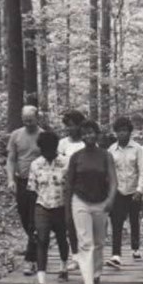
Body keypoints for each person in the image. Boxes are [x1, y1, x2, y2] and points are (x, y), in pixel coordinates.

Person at [65, 120, 118, 284]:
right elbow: (69, 184)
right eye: (85, 133)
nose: (88, 136)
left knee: (99, 241)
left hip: (101, 202)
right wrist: (66, 209)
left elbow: (113, 179)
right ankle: (87, 283)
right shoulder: (76, 157)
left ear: (97, 134)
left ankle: (96, 272)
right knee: (85, 242)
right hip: (80, 201)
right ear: (81, 136)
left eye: (91, 132)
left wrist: (111, 199)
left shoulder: (105, 155)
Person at [27, 132, 69, 284]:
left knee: (61, 238)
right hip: (42, 206)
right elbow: (32, 191)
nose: (48, 153)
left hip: (61, 206)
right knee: (42, 240)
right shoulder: (36, 164)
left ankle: (63, 266)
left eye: (50, 150)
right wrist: (31, 219)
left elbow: (70, 188)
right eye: (44, 150)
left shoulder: (66, 162)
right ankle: (41, 281)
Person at [7, 105, 43, 276]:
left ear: (37, 118)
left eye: (31, 120)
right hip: (21, 182)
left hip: (39, 183)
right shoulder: (16, 135)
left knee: (33, 220)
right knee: (24, 217)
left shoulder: (43, 135)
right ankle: (38, 244)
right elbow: (11, 159)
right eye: (25, 120)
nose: (28, 123)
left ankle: (31, 259)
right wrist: (10, 179)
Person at [107, 117, 143, 269]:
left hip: (134, 190)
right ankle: (116, 254)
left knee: (134, 220)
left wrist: (140, 190)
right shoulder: (111, 150)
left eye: (125, 131)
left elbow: (142, 170)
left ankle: (135, 247)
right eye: (119, 131)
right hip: (118, 191)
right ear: (116, 133)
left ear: (129, 132)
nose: (122, 134)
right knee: (116, 222)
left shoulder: (137, 149)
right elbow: (109, 172)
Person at [58, 109, 86, 271]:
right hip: (66, 187)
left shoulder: (86, 142)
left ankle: (86, 255)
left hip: (84, 187)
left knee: (83, 222)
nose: (70, 129)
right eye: (67, 126)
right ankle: (75, 256)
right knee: (69, 222)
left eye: (73, 125)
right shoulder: (62, 144)